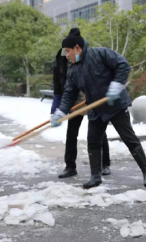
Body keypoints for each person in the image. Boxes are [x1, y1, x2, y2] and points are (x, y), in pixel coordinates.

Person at [50, 28, 146, 189]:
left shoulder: (99, 54)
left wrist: (116, 85)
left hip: (116, 105)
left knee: (128, 138)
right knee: (93, 141)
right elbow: (69, 94)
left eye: (68, 51)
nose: (66, 55)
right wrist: (61, 111)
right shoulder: (73, 70)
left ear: (77, 48)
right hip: (95, 108)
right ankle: (95, 176)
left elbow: (123, 65)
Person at [51, 48, 112, 178]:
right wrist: (55, 112)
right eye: (65, 54)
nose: (68, 56)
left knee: (100, 134)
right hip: (74, 104)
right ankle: (70, 166)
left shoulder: (86, 60)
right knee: (71, 134)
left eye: (69, 52)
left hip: (91, 100)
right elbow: (57, 91)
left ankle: (105, 164)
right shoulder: (59, 66)